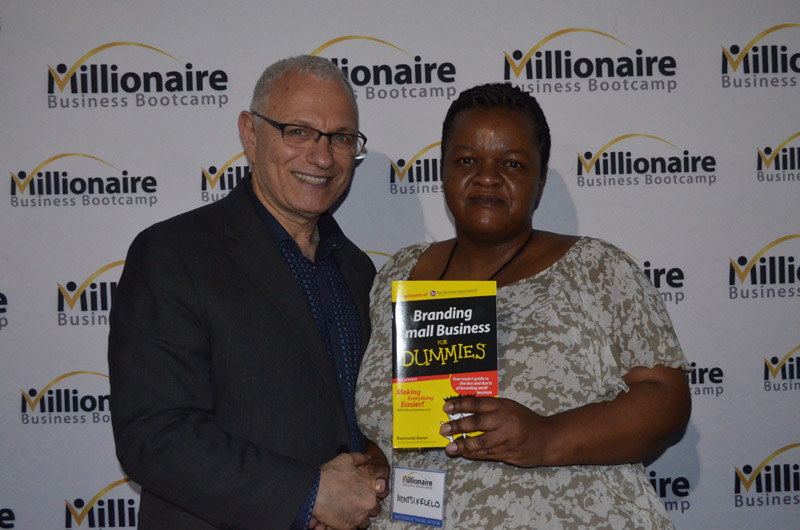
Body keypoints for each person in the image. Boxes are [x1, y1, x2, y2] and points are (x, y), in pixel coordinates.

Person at [355, 83, 691, 529]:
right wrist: (374, 460)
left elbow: (666, 400)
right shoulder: (397, 276)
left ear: (540, 179)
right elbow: (382, 422)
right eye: (467, 160)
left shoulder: (597, 268)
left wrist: (547, 437)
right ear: (443, 170)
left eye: (511, 163)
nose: (487, 177)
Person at [109, 55, 389, 530]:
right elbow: (153, 436)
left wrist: (375, 461)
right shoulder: (174, 254)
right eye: (298, 131)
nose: (322, 157)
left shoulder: (358, 270)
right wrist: (311, 494)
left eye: (341, 138)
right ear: (250, 133)